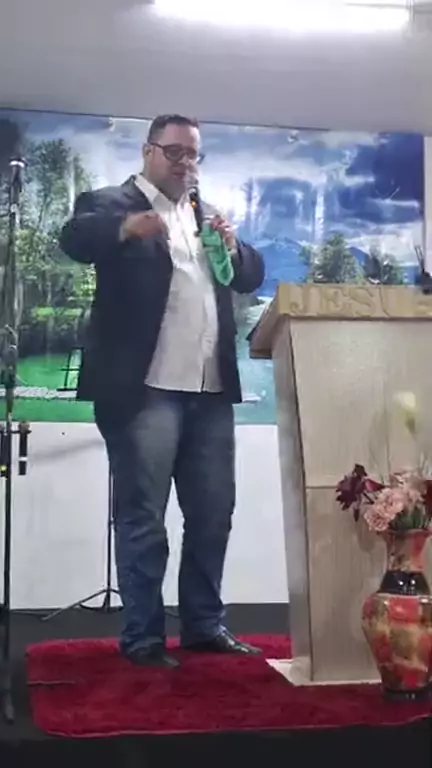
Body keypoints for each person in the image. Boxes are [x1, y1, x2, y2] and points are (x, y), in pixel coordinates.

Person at [60, 114, 265, 668]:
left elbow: (250, 276)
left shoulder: (205, 215)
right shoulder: (111, 202)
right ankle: (144, 638)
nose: (185, 163)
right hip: (143, 391)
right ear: (149, 151)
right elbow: (74, 238)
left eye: (193, 154)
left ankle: (204, 626)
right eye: (175, 152)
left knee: (213, 514)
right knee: (144, 519)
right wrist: (127, 229)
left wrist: (234, 248)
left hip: (210, 390)